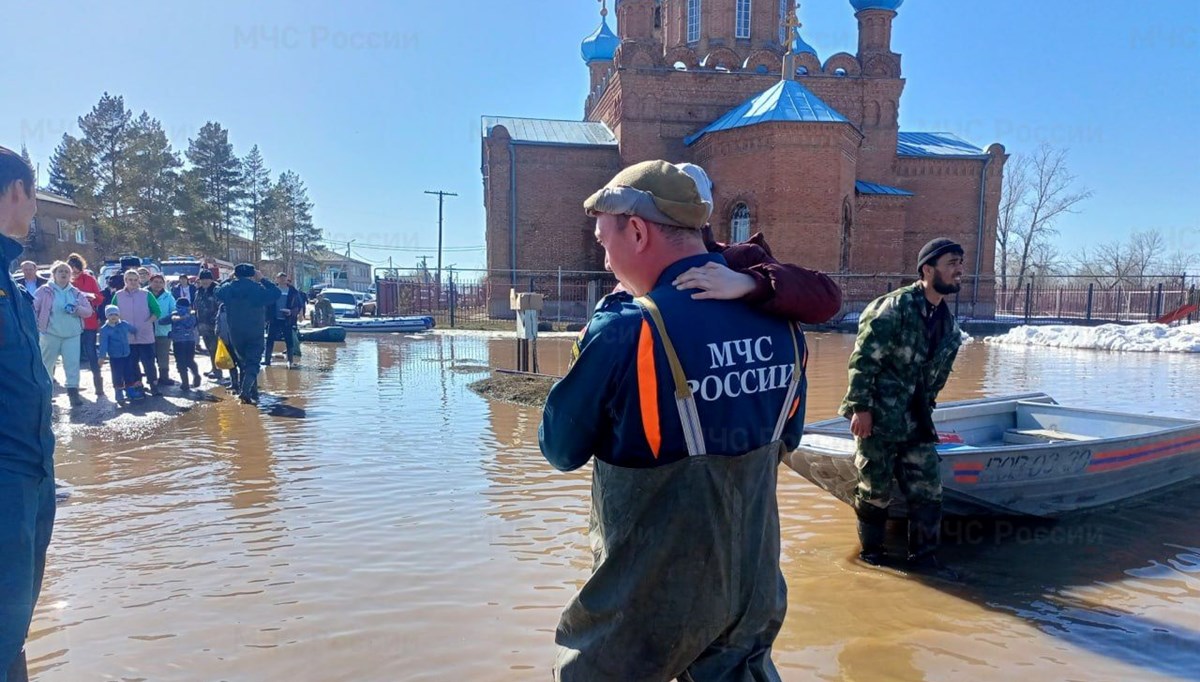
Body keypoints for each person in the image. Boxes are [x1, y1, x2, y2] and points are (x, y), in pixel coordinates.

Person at [540, 160, 806, 680]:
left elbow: (560, 448)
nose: (607, 259)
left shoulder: (625, 331)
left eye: (604, 242)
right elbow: (787, 439)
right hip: (751, 593)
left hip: (648, 606)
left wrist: (596, 325)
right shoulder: (784, 325)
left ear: (636, 231)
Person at [839, 238, 965, 575]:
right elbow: (863, 361)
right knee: (874, 491)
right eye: (951, 263)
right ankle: (872, 560)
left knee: (928, 491)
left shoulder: (948, 324)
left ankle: (924, 563)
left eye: (960, 263)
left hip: (916, 423)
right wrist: (860, 408)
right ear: (927, 269)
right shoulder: (893, 308)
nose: (959, 270)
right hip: (878, 418)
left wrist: (928, 411)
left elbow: (934, 379)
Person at [0, 145, 56, 682]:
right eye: (34, 196)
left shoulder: (10, 282)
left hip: (30, 473)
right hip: (7, 477)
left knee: (12, 629)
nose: (35, 210)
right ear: (17, 191)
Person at [215, 263, 281, 404]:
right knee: (253, 362)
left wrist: (229, 279)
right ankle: (245, 392)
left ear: (236, 274)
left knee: (243, 362)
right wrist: (262, 279)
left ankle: (253, 392)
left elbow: (216, 290)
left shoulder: (229, 288)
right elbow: (276, 293)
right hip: (254, 331)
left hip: (236, 332)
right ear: (253, 274)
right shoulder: (258, 289)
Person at [32, 261, 93, 406]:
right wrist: (37, 327)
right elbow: (33, 309)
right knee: (46, 365)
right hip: (49, 334)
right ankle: (46, 395)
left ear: (71, 275)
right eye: (61, 271)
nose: (64, 274)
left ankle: (73, 394)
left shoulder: (76, 293)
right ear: (54, 274)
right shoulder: (44, 290)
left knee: (72, 365)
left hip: (72, 335)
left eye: (67, 271)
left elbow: (88, 311)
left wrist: (77, 308)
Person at [114, 270, 161, 394]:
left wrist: (148, 322)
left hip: (145, 335)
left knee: (149, 362)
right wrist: (120, 325)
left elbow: (157, 311)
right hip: (127, 336)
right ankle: (137, 385)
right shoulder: (118, 295)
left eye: (135, 280)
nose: (133, 282)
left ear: (139, 280)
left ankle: (153, 385)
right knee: (131, 363)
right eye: (130, 279)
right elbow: (112, 313)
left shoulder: (146, 294)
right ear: (125, 281)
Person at [67, 254, 103, 395]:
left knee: (91, 353)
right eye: (72, 270)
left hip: (89, 322)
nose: (75, 273)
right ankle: (73, 387)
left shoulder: (89, 279)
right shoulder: (64, 281)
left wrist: (90, 297)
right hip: (71, 323)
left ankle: (98, 384)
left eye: (77, 270)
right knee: (72, 356)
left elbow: (99, 298)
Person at [98, 305, 140, 403]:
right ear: (107, 316)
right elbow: (103, 344)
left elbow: (133, 330)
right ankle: (118, 392)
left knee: (129, 373)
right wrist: (102, 357)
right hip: (115, 356)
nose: (113, 316)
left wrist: (135, 331)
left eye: (116, 314)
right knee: (117, 375)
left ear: (119, 315)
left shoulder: (124, 324)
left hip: (126, 354)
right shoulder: (105, 329)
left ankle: (130, 391)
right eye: (111, 314)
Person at [264, 272, 303, 369]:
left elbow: (298, 306)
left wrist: (291, 312)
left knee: (289, 340)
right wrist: (266, 318)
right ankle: (267, 360)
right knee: (270, 340)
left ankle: (290, 361)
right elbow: (266, 304)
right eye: (280, 278)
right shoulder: (273, 290)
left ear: (287, 279)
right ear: (277, 279)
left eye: (284, 278)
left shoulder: (293, 291)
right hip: (274, 319)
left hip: (287, 320)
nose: (282, 280)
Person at [147, 274, 176, 386]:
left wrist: (169, 319)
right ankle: (151, 378)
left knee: (163, 356)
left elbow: (173, 310)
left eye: (160, 282)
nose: (158, 284)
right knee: (149, 357)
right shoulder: (144, 294)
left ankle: (164, 377)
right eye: (155, 282)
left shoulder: (168, 296)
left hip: (164, 331)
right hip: (147, 331)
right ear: (150, 282)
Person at [193, 270, 222, 381]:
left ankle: (218, 371)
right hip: (203, 325)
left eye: (207, 279)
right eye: (202, 279)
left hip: (215, 325)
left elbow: (221, 307)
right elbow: (195, 306)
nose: (204, 281)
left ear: (211, 279)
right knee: (210, 349)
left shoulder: (217, 290)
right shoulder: (199, 291)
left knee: (215, 348)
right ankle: (214, 368)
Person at [169, 299, 202, 389]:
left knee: (180, 362)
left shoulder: (175, 314)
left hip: (178, 342)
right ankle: (196, 375)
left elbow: (163, 321)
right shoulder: (192, 314)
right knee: (190, 360)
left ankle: (185, 383)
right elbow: (194, 324)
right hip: (190, 341)